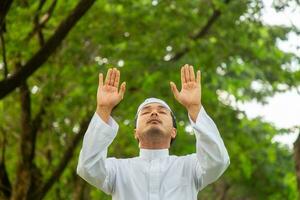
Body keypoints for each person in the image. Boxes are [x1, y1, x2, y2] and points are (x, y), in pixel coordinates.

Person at [76, 64, 230, 200]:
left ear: (173, 132)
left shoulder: (190, 167)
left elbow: (218, 161)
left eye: (162, 111)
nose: (154, 113)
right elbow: (88, 168)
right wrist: (103, 109)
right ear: (136, 132)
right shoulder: (117, 170)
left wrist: (195, 108)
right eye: (146, 112)